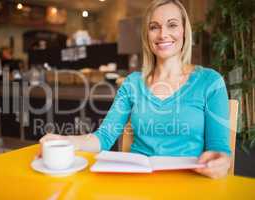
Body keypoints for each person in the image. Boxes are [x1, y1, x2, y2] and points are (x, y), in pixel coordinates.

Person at [39, 0, 231, 179]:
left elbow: (219, 149)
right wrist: (65, 140)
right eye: (154, 27)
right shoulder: (132, 83)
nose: (163, 34)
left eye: (172, 25)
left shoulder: (210, 82)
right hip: (137, 182)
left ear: (184, 32)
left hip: (187, 183)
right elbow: (104, 138)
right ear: (147, 35)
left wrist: (220, 162)